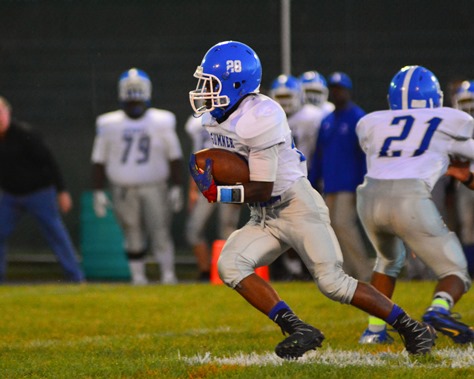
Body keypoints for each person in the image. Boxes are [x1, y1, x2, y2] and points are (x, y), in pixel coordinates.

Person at [188, 40, 435, 360]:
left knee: (333, 283)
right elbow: (245, 173)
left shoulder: (260, 114)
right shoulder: (214, 118)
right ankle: (298, 329)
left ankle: (409, 326)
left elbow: (262, 186)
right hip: (264, 214)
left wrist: (217, 192)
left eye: (211, 83)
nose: (204, 90)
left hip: (296, 205)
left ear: (236, 83)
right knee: (230, 265)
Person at [356, 65, 474, 345]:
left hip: (369, 196)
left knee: (387, 261)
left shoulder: (370, 121)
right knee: (455, 271)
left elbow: (399, 149)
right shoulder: (450, 119)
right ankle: (438, 309)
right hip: (409, 198)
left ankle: (373, 332)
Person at [91, 68, 184, 285]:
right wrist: (97, 190)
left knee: (160, 232)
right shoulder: (108, 124)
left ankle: (168, 275)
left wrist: (177, 185)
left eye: (137, 90)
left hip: (154, 186)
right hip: (124, 188)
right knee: (131, 233)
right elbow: (98, 160)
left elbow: (175, 156)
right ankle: (138, 277)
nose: (134, 97)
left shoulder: (162, 121)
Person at [0, 96, 85, 283]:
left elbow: (49, 162)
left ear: (8, 113)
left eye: (0, 113)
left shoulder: (25, 134)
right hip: (11, 196)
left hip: (39, 193)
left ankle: (76, 278)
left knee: (55, 233)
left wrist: (62, 191)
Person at [309, 72, 372, 281]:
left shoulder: (357, 117)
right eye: (333, 89)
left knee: (344, 225)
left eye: (340, 89)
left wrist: (363, 184)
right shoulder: (327, 120)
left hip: (349, 185)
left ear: (348, 91)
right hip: (330, 184)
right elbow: (318, 154)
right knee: (333, 229)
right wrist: (312, 183)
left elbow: (365, 154)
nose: (336, 93)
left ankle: (363, 272)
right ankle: (346, 274)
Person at [185, 114, 241, 282]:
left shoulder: (237, 119)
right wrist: (192, 188)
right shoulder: (197, 124)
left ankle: (228, 273)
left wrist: (241, 186)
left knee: (227, 229)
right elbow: (195, 157)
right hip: (205, 182)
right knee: (193, 229)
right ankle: (205, 272)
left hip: (229, 181)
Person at [451, 80, 474, 276]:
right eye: (465, 101)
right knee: (466, 227)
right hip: (465, 181)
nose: (468, 107)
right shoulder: (457, 127)